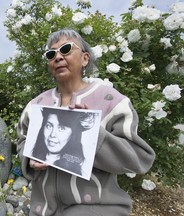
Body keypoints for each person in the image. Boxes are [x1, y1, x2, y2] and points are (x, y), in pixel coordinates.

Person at [16, 29, 155, 216]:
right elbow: (22, 140)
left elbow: (139, 159)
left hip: (98, 208)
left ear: (85, 58)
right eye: (51, 53)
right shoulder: (36, 105)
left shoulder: (111, 101)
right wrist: (29, 157)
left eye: (66, 49)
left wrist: (93, 135)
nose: (58, 57)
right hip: (42, 209)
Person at [32, 107, 92, 176]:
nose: (52, 134)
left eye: (61, 128)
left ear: (73, 134)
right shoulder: (34, 156)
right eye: (49, 126)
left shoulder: (83, 170)